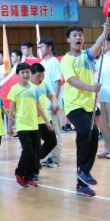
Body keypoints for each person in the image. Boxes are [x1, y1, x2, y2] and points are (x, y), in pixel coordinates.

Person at [61, 23, 110, 197]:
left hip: (88, 105)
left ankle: (81, 182)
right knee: (88, 131)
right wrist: (91, 88)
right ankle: (83, 171)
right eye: (74, 35)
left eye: (80, 35)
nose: (78, 38)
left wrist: (104, 33)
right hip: (74, 105)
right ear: (68, 39)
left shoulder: (86, 57)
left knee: (88, 138)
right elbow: (72, 80)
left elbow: (97, 46)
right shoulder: (66, 60)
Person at [8, 63, 48, 188]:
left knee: (35, 152)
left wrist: (47, 121)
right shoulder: (14, 89)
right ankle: (19, 172)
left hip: (34, 125)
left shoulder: (34, 88)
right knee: (27, 150)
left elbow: (39, 106)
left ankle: (29, 177)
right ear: (18, 74)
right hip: (22, 125)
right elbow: (11, 109)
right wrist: (9, 126)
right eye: (22, 72)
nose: (25, 74)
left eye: (27, 72)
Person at [30, 63, 59, 180]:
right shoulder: (28, 87)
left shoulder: (43, 85)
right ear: (31, 75)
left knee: (52, 141)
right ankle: (34, 171)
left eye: (42, 76)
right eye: (38, 76)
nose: (41, 78)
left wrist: (54, 101)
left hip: (45, 120)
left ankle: (35, 159)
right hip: (33, 123)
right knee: (35, 146)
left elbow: (52, 96)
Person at [39, 37, 64, 167]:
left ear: (49, 47)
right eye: (40, 47)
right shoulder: (42, 63)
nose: (41, 49)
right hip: (45, 103)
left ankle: (56, 159)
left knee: (56, 132)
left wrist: (56, 100)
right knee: (49, 133)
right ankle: (50, 157)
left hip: (53, 103)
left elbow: (58, 81)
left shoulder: (54, 62)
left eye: (42, 46)